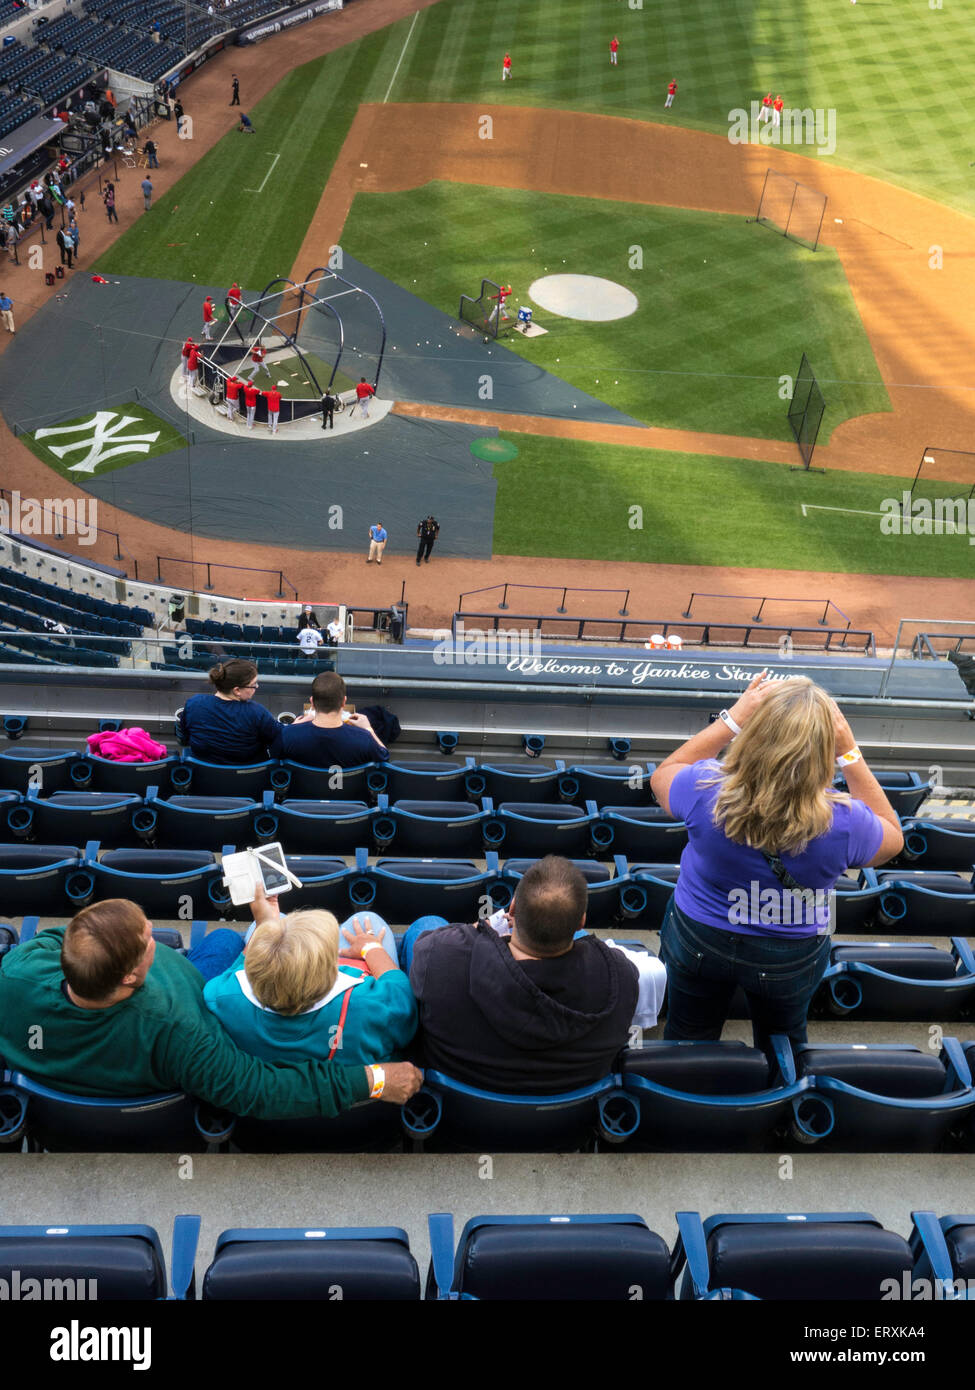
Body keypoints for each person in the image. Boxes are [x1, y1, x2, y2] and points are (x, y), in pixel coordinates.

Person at [649, 673, 904, 1059]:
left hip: (699, 937)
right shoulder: (847, 820)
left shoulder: (704, 787)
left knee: (688, 1035)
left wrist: (734, 717)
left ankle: (686, 1101)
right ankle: (780, 1104)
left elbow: (664, 773)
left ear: (755, 735)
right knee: (781, 1045)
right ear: (823, 749)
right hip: (791, 950)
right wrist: (849, 751)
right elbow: (893, 838)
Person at [0, 892, 422, 1117]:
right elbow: (265, 1091)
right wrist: (374, 1082)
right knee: (225, 939)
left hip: (199, 992)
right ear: (130, 977)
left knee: (221, 939)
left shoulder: (16, 971)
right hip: (190, 1001)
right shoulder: (186, 1037)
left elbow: (60, 938)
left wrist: (268, 927)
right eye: (147, 939)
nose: (155, 934)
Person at [403, 856, 639, 1095]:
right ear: (582, 922)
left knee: (427, 924)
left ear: (512, 908)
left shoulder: (442, 956)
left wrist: (480, 928)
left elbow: (430, 948)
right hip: (564, 1112)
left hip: (456, 1098)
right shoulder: (621, 977)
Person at [204, 901, 417, 1067]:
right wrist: (371, 947)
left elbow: (236, 974)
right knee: (366, 919)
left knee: (274, 921)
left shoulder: (221, 997)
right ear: (335, 969)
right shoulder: (369, 1004)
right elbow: (401, 995)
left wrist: (263, 926)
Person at [271, 670, 389, 767]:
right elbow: (384, 758)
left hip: (300, 795)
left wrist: (292, 729)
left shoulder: (287, 735)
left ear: (312, 702)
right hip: (345, 794)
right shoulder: (365, 739)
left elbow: (273, 756)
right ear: (344, 702)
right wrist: (369, 729)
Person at [176, 658, 280, 763]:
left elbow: (184, 737)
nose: (257, 687)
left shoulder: (194, 703)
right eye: (254, 684)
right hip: (248, 777)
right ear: (237, 690)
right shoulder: (257, 712)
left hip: (203, 776)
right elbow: (277, 740)